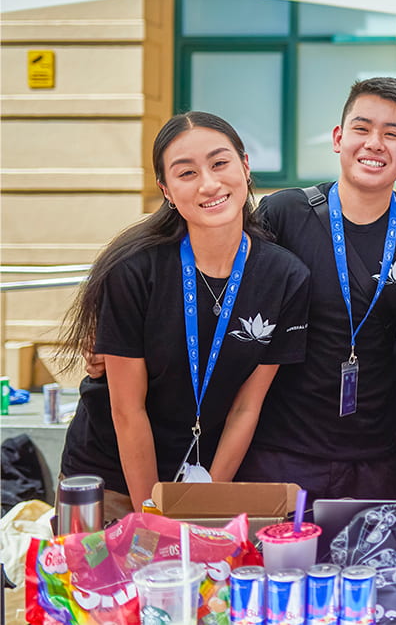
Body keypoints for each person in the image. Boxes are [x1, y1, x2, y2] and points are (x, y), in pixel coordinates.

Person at [59, 112, 310, 519]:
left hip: (207, 475)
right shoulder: (135, 271)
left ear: (245, 168)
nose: (209, 184)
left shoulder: (286, 276)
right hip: (113, 478)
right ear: (167, 190)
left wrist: (203, 500)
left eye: (220, 163)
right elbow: (127, 410)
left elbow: (247, 406)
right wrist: (152, 516)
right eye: (187, 172)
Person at [237, 77, 396, 502]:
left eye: (392, 133)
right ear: (338, 138)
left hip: (380, 456)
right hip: (281, 453)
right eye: (362, 129)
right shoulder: (283, 213)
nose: (374, 143)